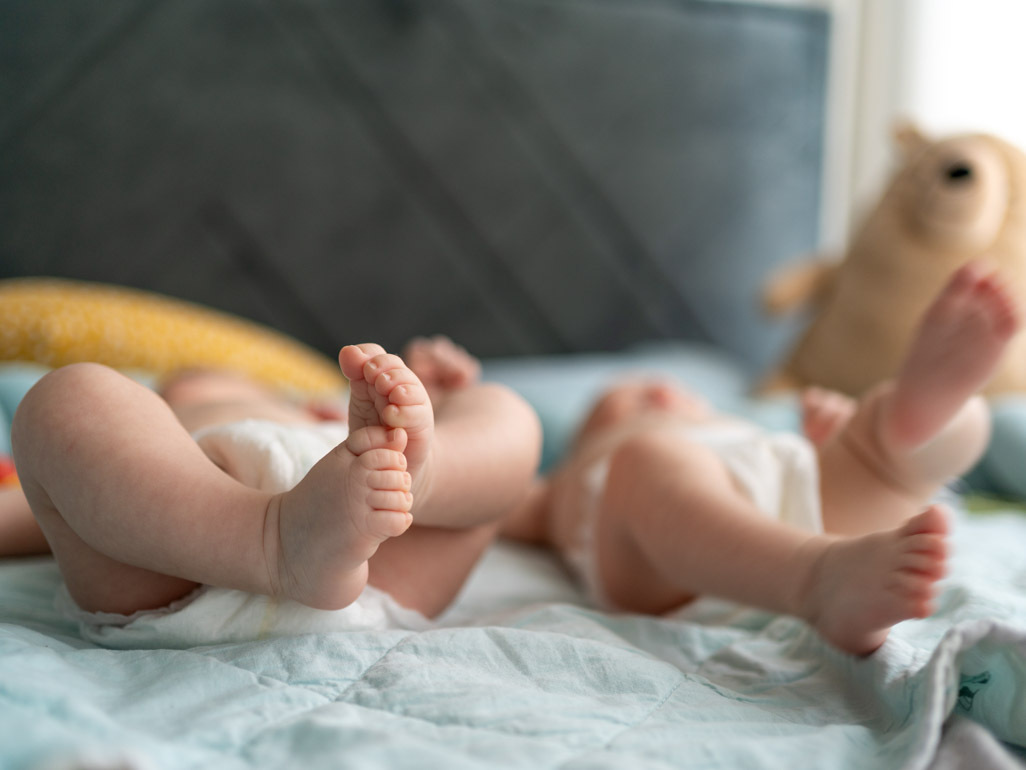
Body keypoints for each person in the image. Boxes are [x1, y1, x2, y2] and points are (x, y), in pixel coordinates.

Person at [502, 261, 1020, 656]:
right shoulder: (565, 480)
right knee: (646, 460)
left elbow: (781, 469)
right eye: (629, 397)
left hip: (807, 509)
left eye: (675, 392)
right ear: (577, 441)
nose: (660, 392)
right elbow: (497, 499)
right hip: (671, 565)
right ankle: (814, 581)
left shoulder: (737, 425)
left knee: (893, 440)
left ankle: (925, 411)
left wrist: (833, 443)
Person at [7, 336, 541, 643]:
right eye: (187, 384)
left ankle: (423, 473)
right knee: (73, 399)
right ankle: (272, 540)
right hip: (195, 537)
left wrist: (437, 406)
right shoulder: (159, 441)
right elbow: (88, 503)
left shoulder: (328, 414)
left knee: (506, 410)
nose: (207, 382)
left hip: (370, 531)